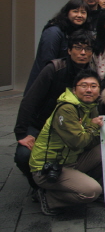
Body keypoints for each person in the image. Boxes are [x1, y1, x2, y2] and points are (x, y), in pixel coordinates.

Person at [15, 30, 94, 194]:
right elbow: (30, 100)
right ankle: (37, 186)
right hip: (40, 124)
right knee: (23, 155)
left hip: (71, 127)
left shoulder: (91, 74)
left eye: (87, 49)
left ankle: (68, 181)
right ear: (69, 50)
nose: (83, 53)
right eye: (78, 48)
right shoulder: (54, 69)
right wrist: (22, 133)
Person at [29, 70, 104, 216]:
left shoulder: (91, 107)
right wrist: (94, 126)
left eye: (94, 86)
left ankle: (75, 184)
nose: (89, 90)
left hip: (70, 160)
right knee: (92, 191)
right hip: (49, 167)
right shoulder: (66, 108)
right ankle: (48, 198)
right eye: (84, 85)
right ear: (74, 90)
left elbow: (91, 141)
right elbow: (77, 142)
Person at [25, 0, 91, 94]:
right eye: (75, 11)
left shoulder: (78, 32)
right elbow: (47, 62)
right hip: (45, 86)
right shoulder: (54, 32)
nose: (79, 15)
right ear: (67, 13)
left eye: (83, 12)